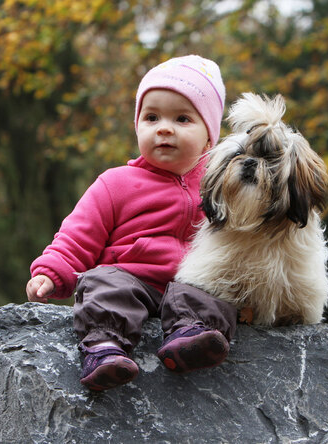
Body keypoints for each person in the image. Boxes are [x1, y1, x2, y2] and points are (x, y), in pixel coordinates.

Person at [25, 55, 237, 391]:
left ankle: (193, 339)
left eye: (182, 119)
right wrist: (51, 272)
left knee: (210, 294)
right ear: (137, 126)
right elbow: (78, 235)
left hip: (190, 282)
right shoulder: (117, 183)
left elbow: (242, 245)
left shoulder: (220, 186)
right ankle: (104, 349)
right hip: (130, 277)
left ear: (209, 138)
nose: (163, 128)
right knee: (103, 284)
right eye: (152, 117)